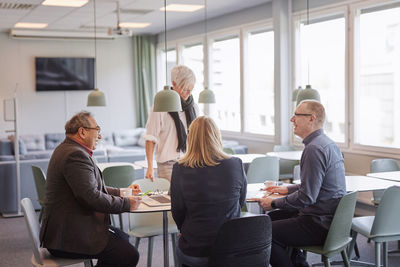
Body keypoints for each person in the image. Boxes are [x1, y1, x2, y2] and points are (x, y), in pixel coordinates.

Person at [39, 111, 142, 267]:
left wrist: (123, 192)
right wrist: (127, 204)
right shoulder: (75, 155)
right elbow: (91, 197)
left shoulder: (67, 149)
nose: (100, 136)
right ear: (82, 131)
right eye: (97, 130)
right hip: (66, 237)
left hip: (66, 228)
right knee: (128, 255)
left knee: (123, 238)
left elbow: (90, 187)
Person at [255, 100, 346, 267]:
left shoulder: (313, 149)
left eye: (296, 115)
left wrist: (274, 202)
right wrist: (287, 189)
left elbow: (307, 197)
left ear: (311, 118)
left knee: (263, 233)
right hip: (333, 222)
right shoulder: (326, 144)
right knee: (270, 220)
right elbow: (315, 186)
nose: (292, 120)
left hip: (318, 223)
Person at [170, 116, 247, 267]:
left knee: (179, 249)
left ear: (190, 138)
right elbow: (241, 202)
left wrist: (183, 230)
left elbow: (178, 210)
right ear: (217, 136)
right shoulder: (236, 164)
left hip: (195, 250)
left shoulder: (180, 168)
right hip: (231, 249)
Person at [144, 65, 199, 181]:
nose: (188, 93)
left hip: (190, 162)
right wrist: (150, 167)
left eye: (191, 90)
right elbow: (150, 138)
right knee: (171, 198)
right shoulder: (160, 107)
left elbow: (196, 137)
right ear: (174, 84)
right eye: (185, 89)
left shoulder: (193, 107)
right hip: (167, 166)